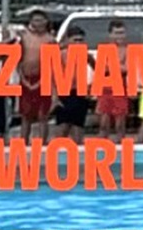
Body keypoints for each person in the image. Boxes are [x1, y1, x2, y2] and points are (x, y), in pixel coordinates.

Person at [17, 9, 55, 141]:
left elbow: (52, 63)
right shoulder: (24, 38)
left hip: (43, 79)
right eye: (35, 20)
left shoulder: (50, 40)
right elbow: (18, 60)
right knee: (26, 115)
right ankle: (23, 144)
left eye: (40, 20)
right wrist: (22, 78)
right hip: (26, 78)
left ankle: (43, 145)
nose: (38, 23)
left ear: (46, 21)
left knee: (42, 115)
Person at [54, 27, 93, 143]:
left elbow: (100, 70)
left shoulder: (85, 55)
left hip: (80, 92)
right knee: (63, 127)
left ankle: (77, 157)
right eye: (75, 40)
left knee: (78, 127)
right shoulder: (61, 55)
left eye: (80, 40)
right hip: (64, 93)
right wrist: (54, 96)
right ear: (68, 40)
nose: (78, 43)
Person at [96, 19, 130, 142]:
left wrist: (112, 66)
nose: (120, 36)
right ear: (110, 34)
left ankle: (122, 151)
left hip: (120, 89)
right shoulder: (103, 49)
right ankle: (100, 151)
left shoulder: (128, 50)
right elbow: (101, 68)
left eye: (122, 33)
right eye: (117, 33)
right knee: (103, 124)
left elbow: (127, 68)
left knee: (120, 124)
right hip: (105, 89)